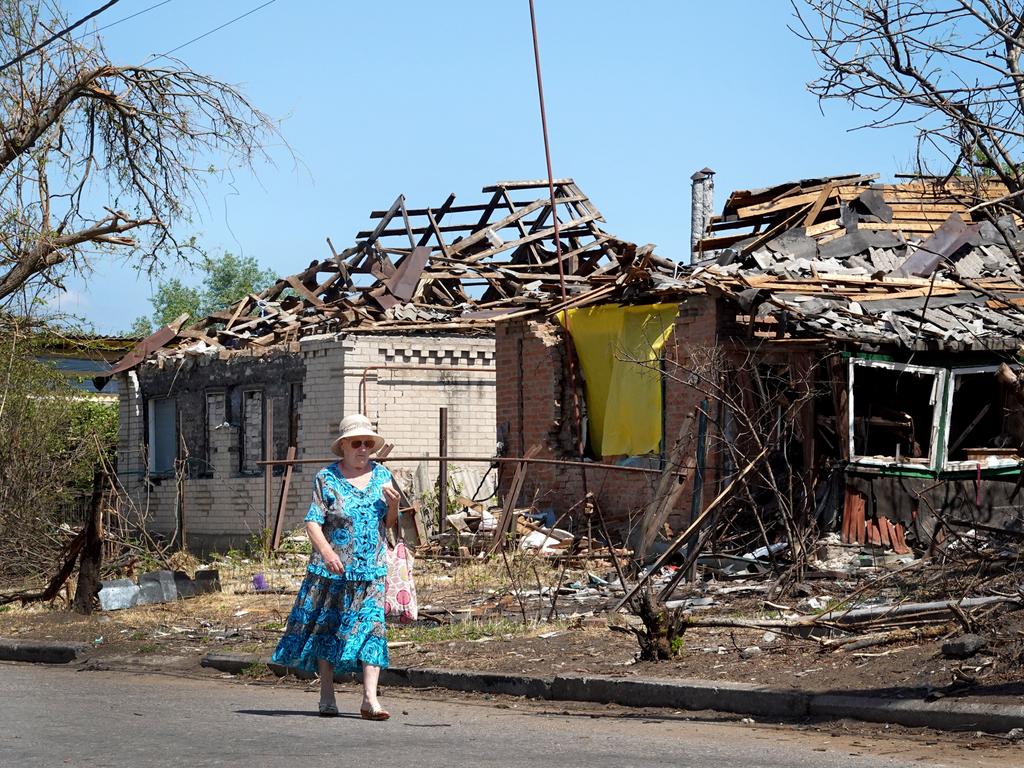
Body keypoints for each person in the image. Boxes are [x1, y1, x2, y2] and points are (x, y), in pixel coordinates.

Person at [271, 414, 400, 720]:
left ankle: (370, 700)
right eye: (357, 443)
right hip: (334, 571)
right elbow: (313, 522)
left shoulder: (383, 477)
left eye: (368, 444)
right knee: (328, 629)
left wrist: (394, 506)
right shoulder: (326, 479)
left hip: (372, 571)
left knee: (372, 630)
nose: (363, 449)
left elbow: (388, 524)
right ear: (344, 446)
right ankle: (327, 695)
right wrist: (328, 553)